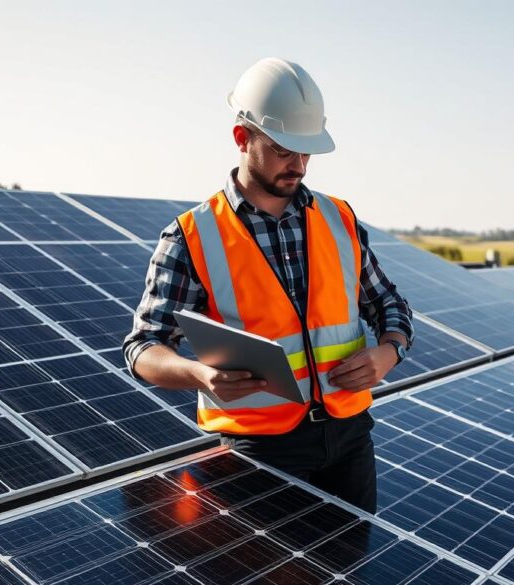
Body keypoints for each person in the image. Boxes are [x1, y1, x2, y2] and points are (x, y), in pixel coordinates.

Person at [123, 57, 413, 513]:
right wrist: (199, 375)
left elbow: (389, 304)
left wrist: (388, 352)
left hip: (350, 438)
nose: (298, 165)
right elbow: (143, 349)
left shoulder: (339, 218)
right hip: (256, 452)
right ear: (243, 137)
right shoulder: (191, 236)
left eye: (306, 152)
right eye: (283, 150)